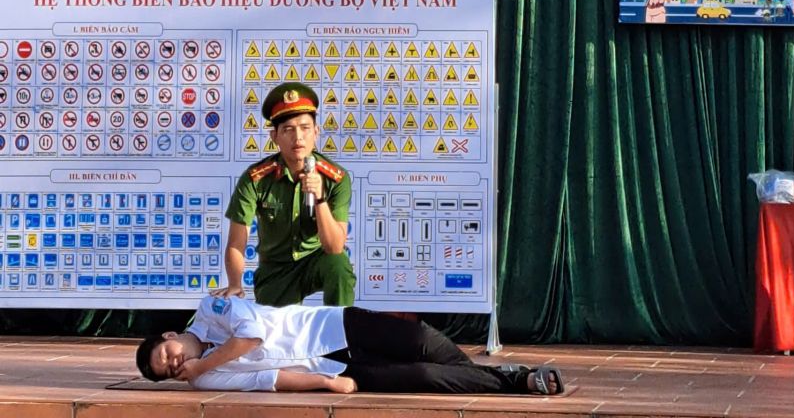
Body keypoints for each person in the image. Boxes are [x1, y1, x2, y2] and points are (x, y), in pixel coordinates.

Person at [135, 294, 565, 396]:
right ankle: (519, 381)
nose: (175, 363)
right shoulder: (205, 381)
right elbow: (268, 379)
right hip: (334, 368)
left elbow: (252, 336)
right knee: (424, 376)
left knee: (422, 341)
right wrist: (325, 384)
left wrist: (205, 365)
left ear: (171, 337)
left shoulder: (210, 309)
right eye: (168, 371)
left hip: (334, 327)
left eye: (167, 355)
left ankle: (496, 377)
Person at [223, 84, 355, 306]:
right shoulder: (256, 179)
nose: (298, 138)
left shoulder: (337, 178)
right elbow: (236, 242)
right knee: (274, 327)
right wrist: (235, 283)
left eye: (305, 128)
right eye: (288, 130)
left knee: (339, 266)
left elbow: (334, 247)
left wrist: (319, 198)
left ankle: (340, 326)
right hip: (276, 269)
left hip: (316, 260)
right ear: (274, 136)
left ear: (316, 132)